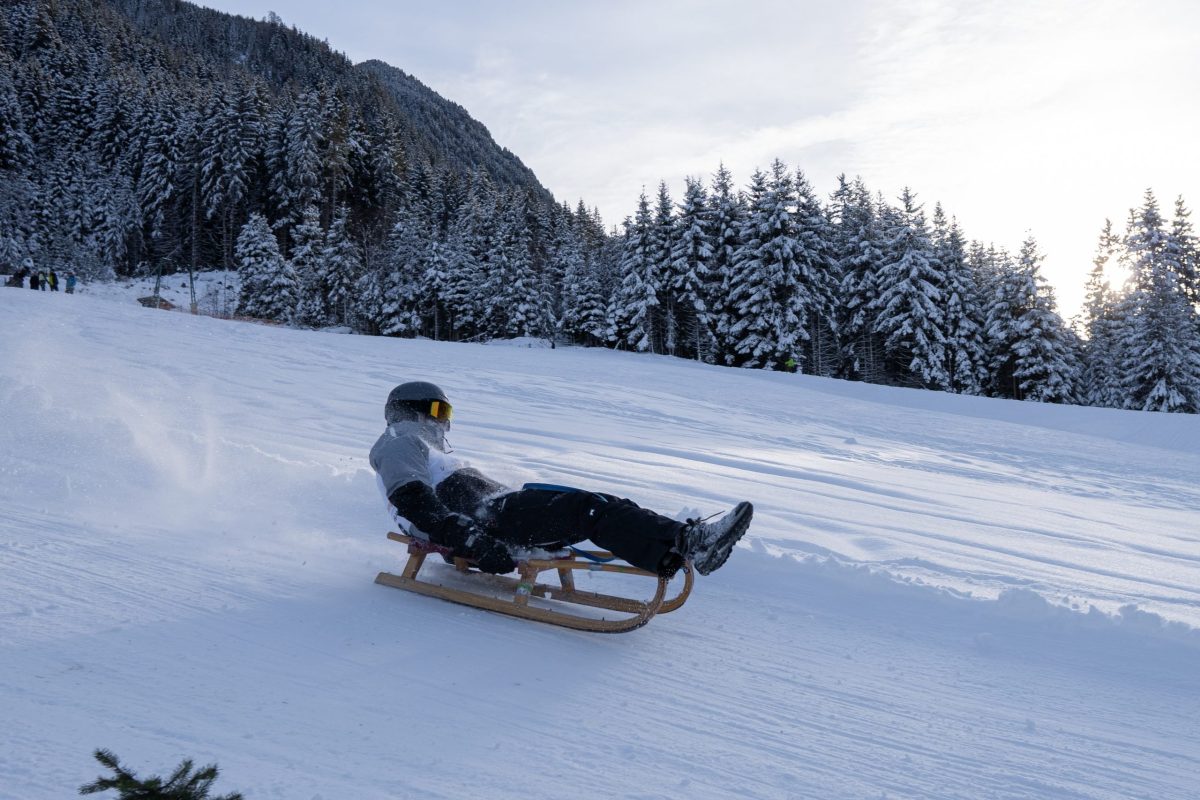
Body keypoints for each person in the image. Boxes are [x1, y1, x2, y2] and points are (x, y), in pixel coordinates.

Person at [369, 381, 753, 577]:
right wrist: (471, 540)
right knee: (589, 508)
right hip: (488, 519)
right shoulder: (401, 441)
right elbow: (414, 501)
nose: (443, 420)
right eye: (437, 410)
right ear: (409, 411)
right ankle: (690, 542)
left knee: (598, 507)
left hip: (493, 514)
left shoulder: (414, 446)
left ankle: (677, 549)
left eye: (446, 412)